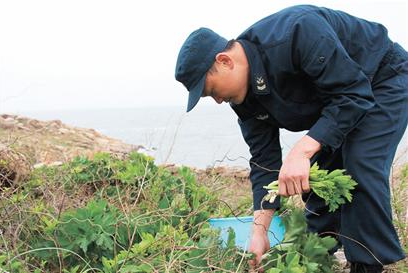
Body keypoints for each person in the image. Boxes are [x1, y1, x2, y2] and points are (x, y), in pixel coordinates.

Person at [174, 5, 407, 273]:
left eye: (211, 91)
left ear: (225, 61)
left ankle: (367, 263)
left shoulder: (297, 32)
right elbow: (264, 162)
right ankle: (315, 256)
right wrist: (259, 232)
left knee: (359, 164)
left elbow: (353, 94)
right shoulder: (243, 100)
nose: (216, 101)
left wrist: (302, 151)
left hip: (382, 76)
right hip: (340, 101)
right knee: (320, 183)